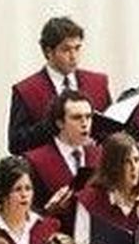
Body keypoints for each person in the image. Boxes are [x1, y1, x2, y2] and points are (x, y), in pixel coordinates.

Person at [8, 16, 112, 154]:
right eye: (66, 50)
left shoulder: (98, 83)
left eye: (77, 48)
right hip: (49, 169)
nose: (73, 56)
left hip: (95, 166)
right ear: (48, 52)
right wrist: (54, 124)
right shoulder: (26, 90)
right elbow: (16, 144)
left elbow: (112, 131)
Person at [22, 90, 101, 224]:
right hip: (55, 237)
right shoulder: (34, 161)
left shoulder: (100, 155)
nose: (85, 123)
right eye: (77, 117)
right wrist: (47, 211)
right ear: (60, 123)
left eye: (88, 117)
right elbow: (23, 214)